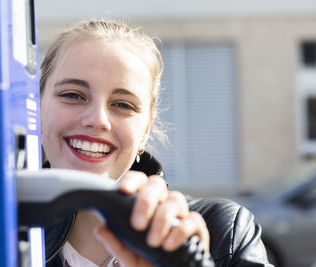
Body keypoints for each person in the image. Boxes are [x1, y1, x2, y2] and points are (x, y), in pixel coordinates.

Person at [39, 18, 272, 267]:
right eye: (72, 95)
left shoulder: (223, 232)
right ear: (35, 108)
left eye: (122, 105)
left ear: (145, 130)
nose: (98, 120)